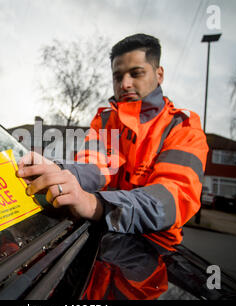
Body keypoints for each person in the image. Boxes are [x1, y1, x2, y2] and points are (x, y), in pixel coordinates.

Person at [16, 33, 209, 254]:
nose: (125, 84)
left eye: (136, 73)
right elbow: (94, 168)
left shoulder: (183, 127)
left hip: (152, 252)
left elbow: (171, 199)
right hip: (97, 240)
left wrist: (96, 205)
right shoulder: (106, 120)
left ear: (159, 74)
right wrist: (56, 170)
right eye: (117, 77)